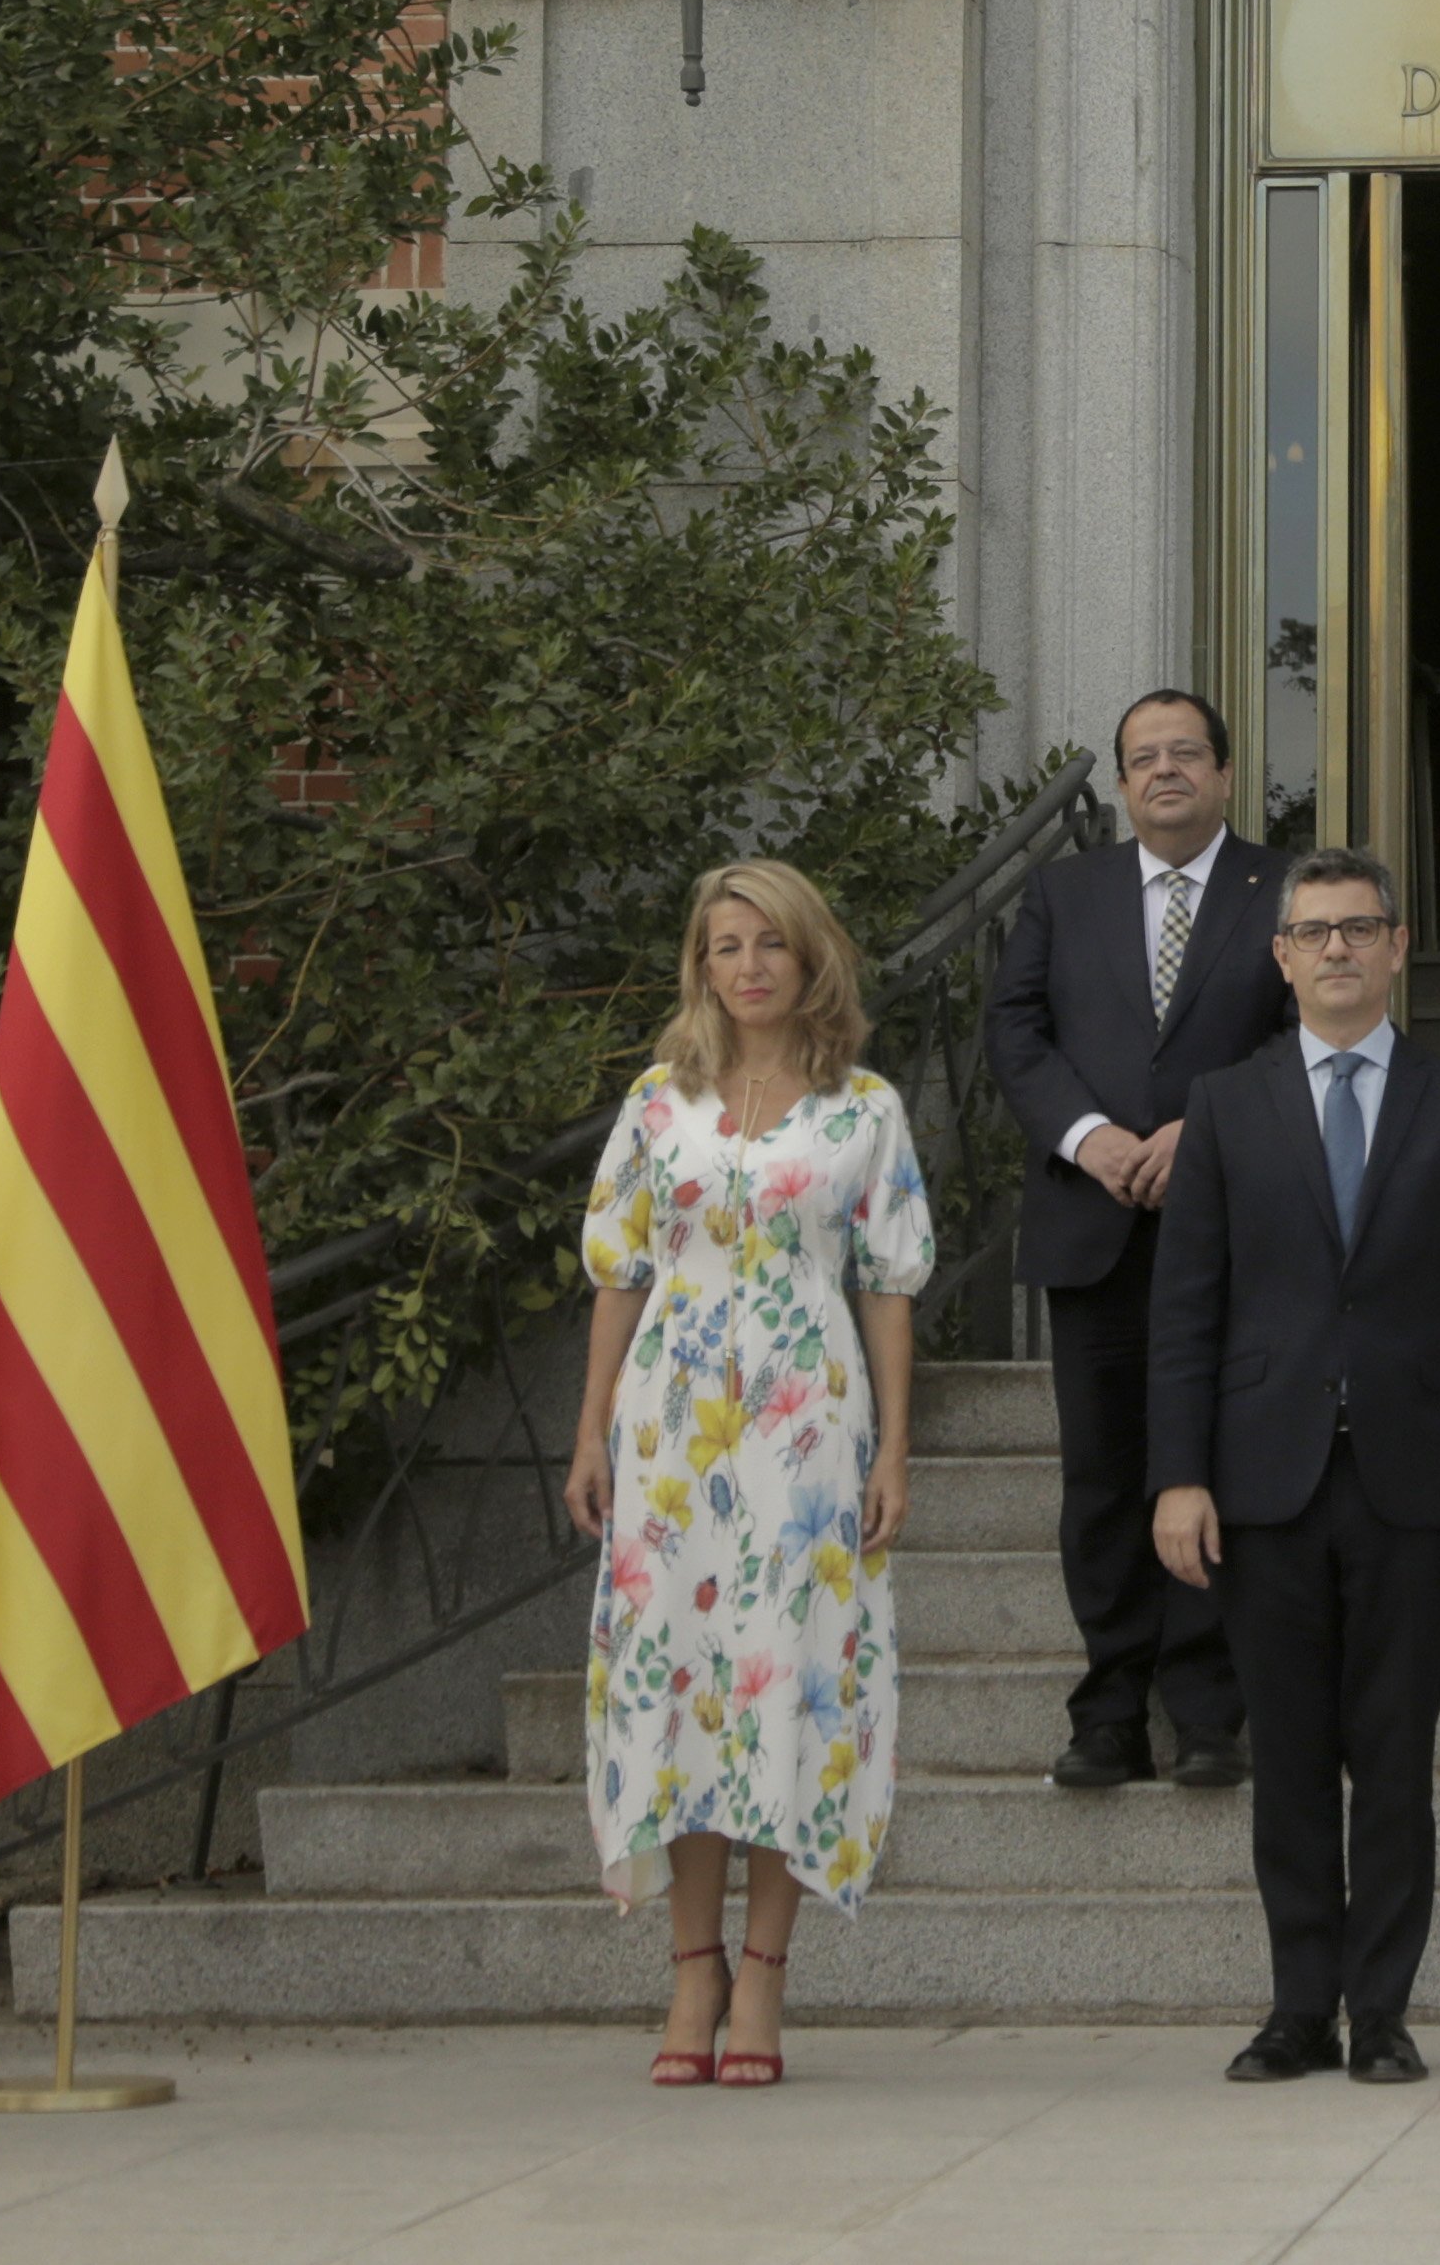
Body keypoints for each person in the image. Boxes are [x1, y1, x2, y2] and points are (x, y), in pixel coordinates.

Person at [1148, 848, 1440, 2089]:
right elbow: (1187, 1307)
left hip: (1418, 1484)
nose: (1336, 951)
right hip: (1263, 1481)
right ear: (1281, 956)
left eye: (1358, 928)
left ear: (1399, 944)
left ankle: (1383, 2011)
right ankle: (1296, 2006)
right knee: (1294, 1760)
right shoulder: (1225, 1102)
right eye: (1312, 933)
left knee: (1397, 1761)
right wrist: (1177, 1475)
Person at [562, 861, 928, 2089]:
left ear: (810, 952)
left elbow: (887, 1281)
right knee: (676, 1686)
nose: (751, 965)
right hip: (670, 1429)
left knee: (792, 1686)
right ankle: (690, 1965)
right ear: (702, 965)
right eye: (726, 945)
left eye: (771, 941)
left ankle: (765, 1973)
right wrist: (590, 1431)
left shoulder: (862, 1107)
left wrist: (893, 1444)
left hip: (806, 1431)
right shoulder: (658, 1104)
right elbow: (620, 1270)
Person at [986, 689, 1291, 1791]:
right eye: (1141, 757)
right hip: (1094, 1223)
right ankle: (1109, 1707)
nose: (1164, 770)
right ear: (1121, 784)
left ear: (1221, 770)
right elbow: (1013, 1030)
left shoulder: (1284, 892)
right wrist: (1089, 1135)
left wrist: (1199, 1129)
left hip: (1236, 1228)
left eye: (1185, 753)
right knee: (1105, 1474)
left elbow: (1311, 1035)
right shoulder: (1064, 893)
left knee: (1217, 1462)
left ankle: (1209, 1707)